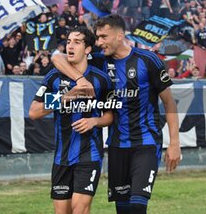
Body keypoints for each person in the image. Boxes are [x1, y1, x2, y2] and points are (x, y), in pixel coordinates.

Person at [52, 14, 181, 214]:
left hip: (145, 143)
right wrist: (80, 79)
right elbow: (56, 57)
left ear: (119, 36)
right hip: (116, 145)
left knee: (137, 205)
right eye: (97, 37)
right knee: (123, 209)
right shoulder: (98, 61)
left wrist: (174, 143)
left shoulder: (148, 60)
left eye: (104, 37)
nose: (99, 42)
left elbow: (169, 102)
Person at [29, 26, 114, 214]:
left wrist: (94, 122)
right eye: (68, 41)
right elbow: (34, 112)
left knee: (80, 208)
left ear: (88, 49)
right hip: (62, 155)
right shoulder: (54, 77)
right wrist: (67, 97)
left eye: (77, 42)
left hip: (89, 153)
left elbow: (109, 115)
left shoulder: (101, 80)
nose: (70, 46)